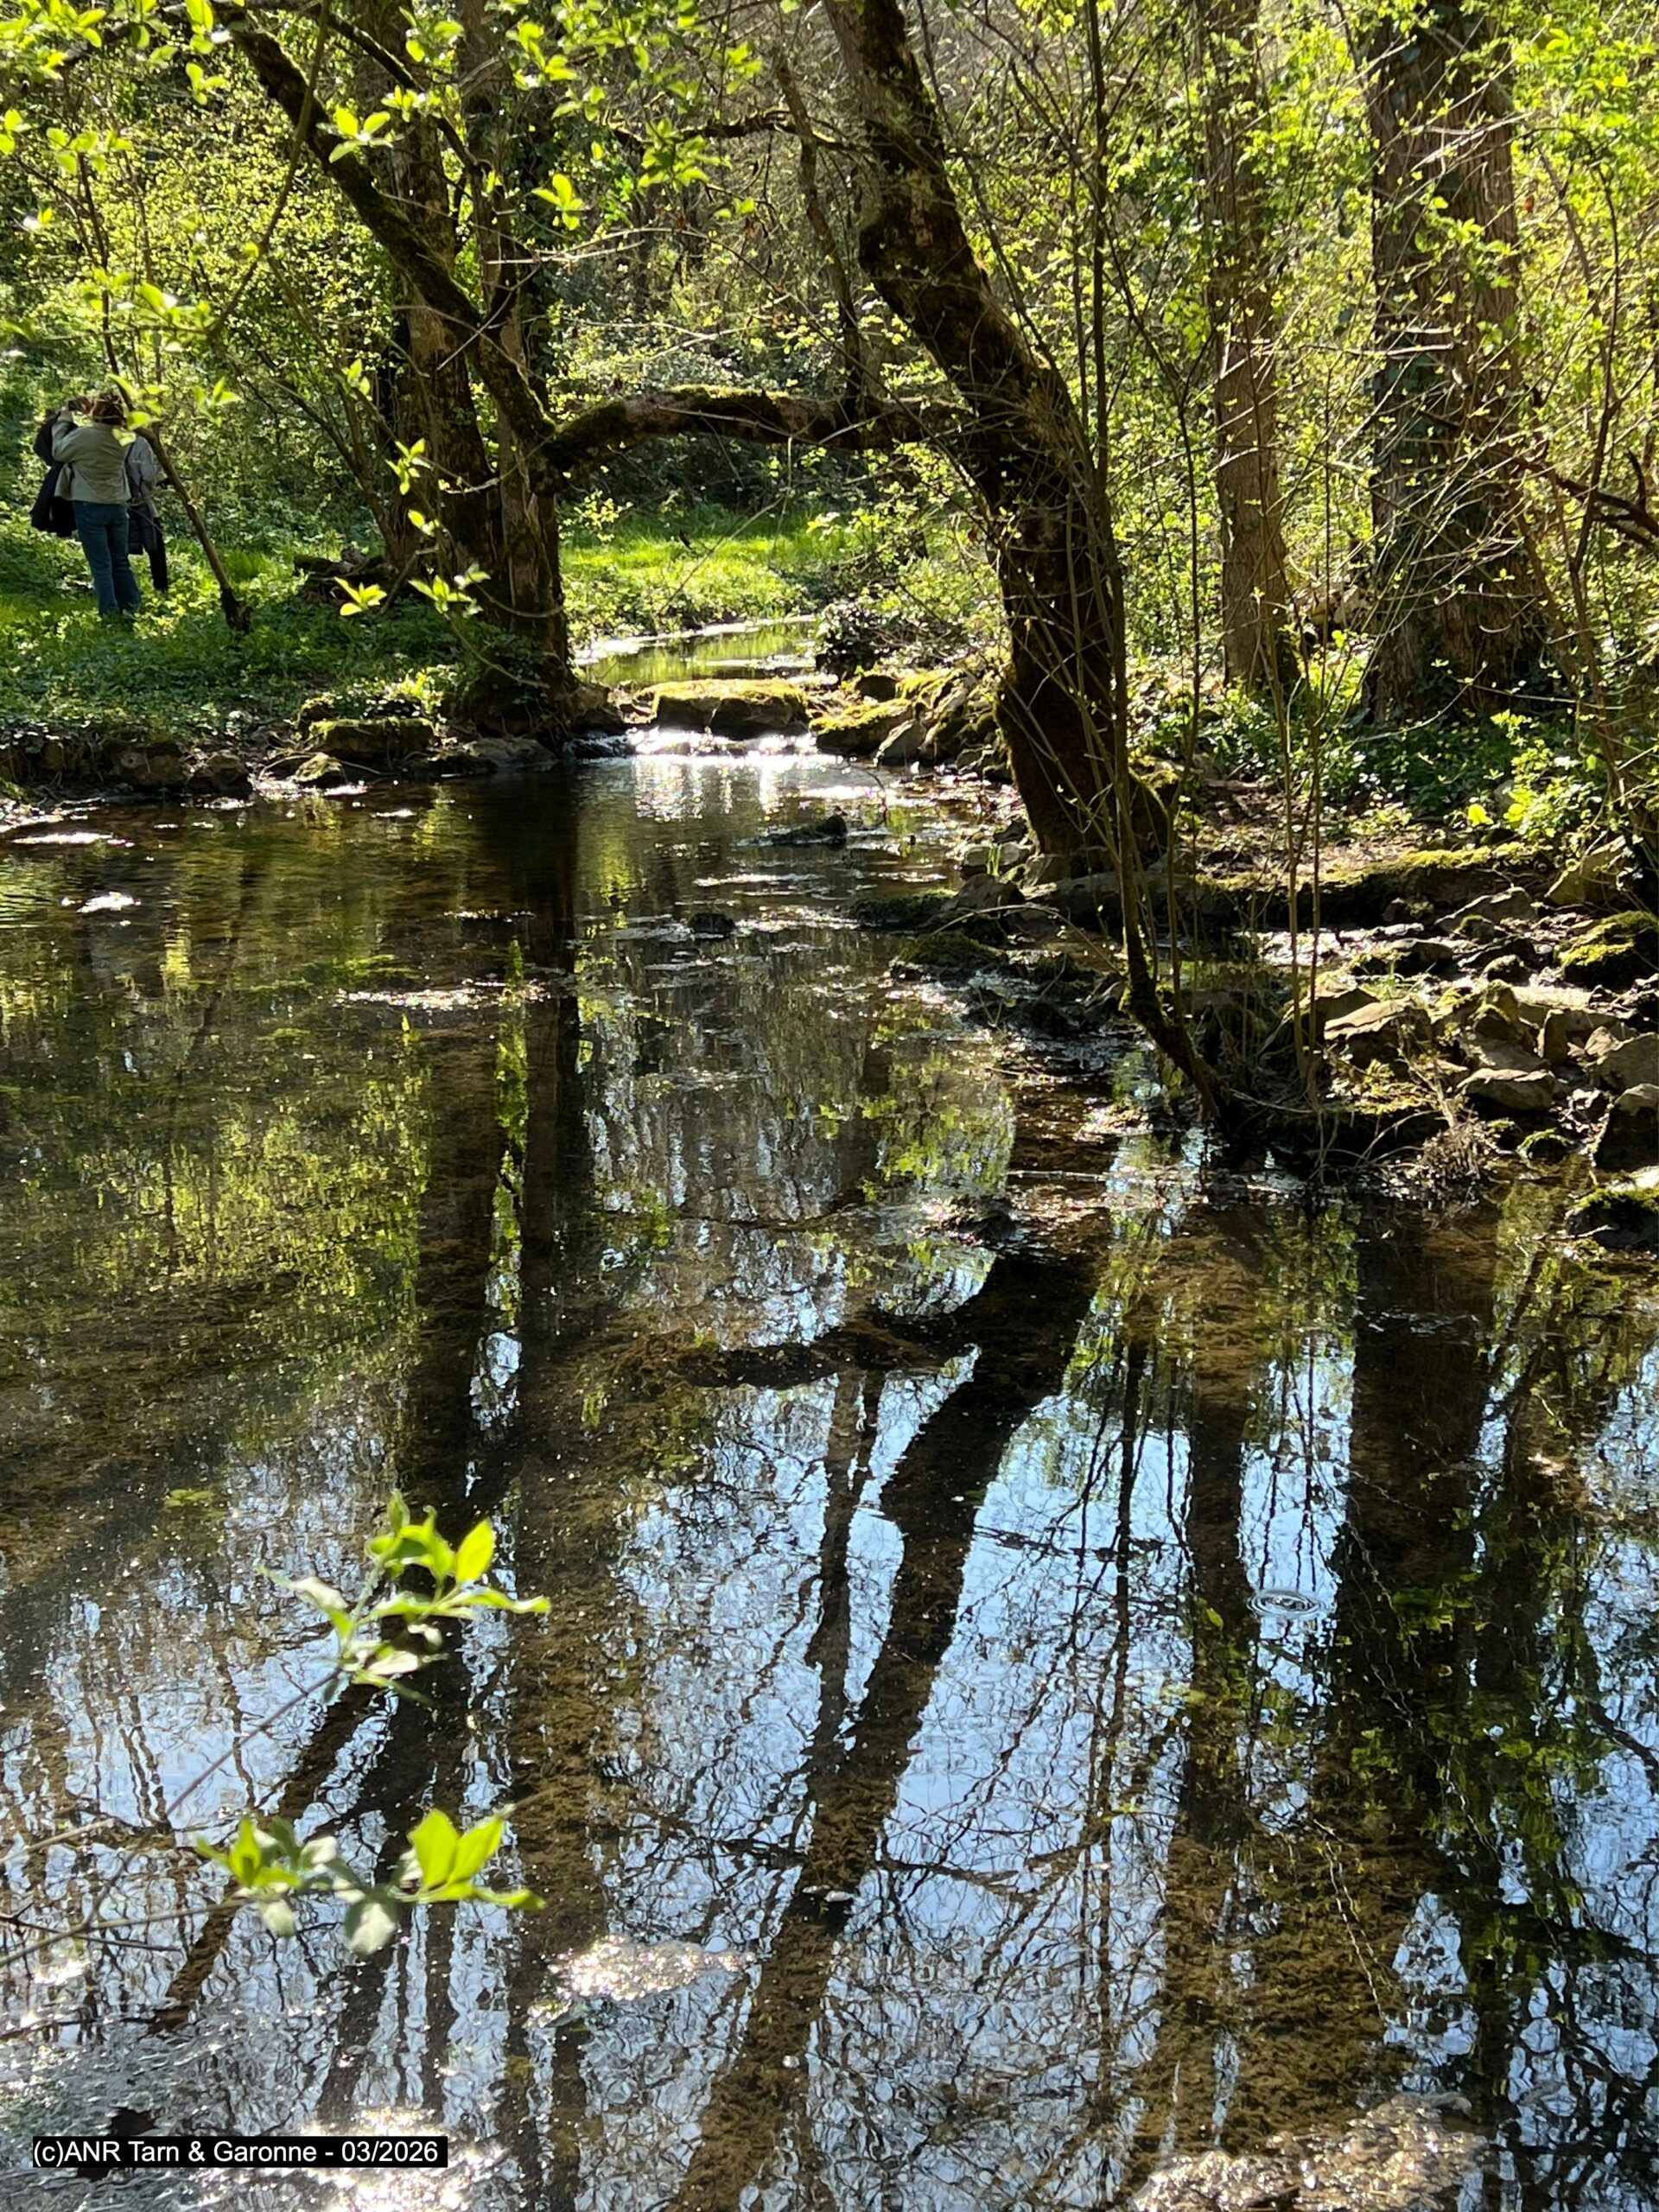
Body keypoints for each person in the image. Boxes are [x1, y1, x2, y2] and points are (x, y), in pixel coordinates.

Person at [51, 390, 143, 620]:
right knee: (120, 561)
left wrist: (66, 415)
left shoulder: (84, 436)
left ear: (96, 410)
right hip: (117, 504)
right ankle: (132, 606)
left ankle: (109, 613)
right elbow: (110, 429)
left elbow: (58, 452)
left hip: (89, 504)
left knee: (101, 564)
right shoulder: (125, 437)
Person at [124, 427, 168, 595]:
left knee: (116, 550)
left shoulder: (106, 441)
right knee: (155, 547)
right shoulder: (141, 443)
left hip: (115, 502)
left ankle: (122, 592)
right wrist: (143, 492)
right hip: (142, 503)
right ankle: (161, 587)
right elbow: (148, 474)